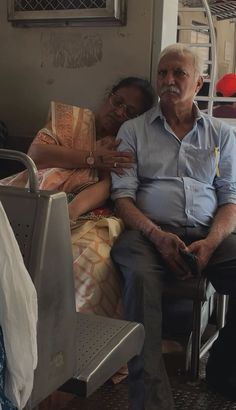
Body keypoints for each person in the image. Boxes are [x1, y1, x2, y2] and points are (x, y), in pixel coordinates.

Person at [111, 43, 236, 410]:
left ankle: (225, 371)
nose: (168, 80)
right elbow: (123, 197)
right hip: (147, 234)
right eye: (163, 72)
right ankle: (151, 403)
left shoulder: (221, 134)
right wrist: (155, 234)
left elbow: (231, 199)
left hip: (207, 232)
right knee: (140, 280)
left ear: (198, 82)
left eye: (178, 73)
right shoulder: (133, 130)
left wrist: (212, 242)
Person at [1, 77, 155, 319]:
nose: (118, 111)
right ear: (109, 95)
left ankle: (64, 337)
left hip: (83, 213)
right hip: (32, 194)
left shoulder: (123, 142)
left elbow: (106, 186)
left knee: (78, 260)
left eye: (129, 112)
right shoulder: (70, 121)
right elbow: (37, 154)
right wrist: (92, 157)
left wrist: (69, 212)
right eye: (118, 102)